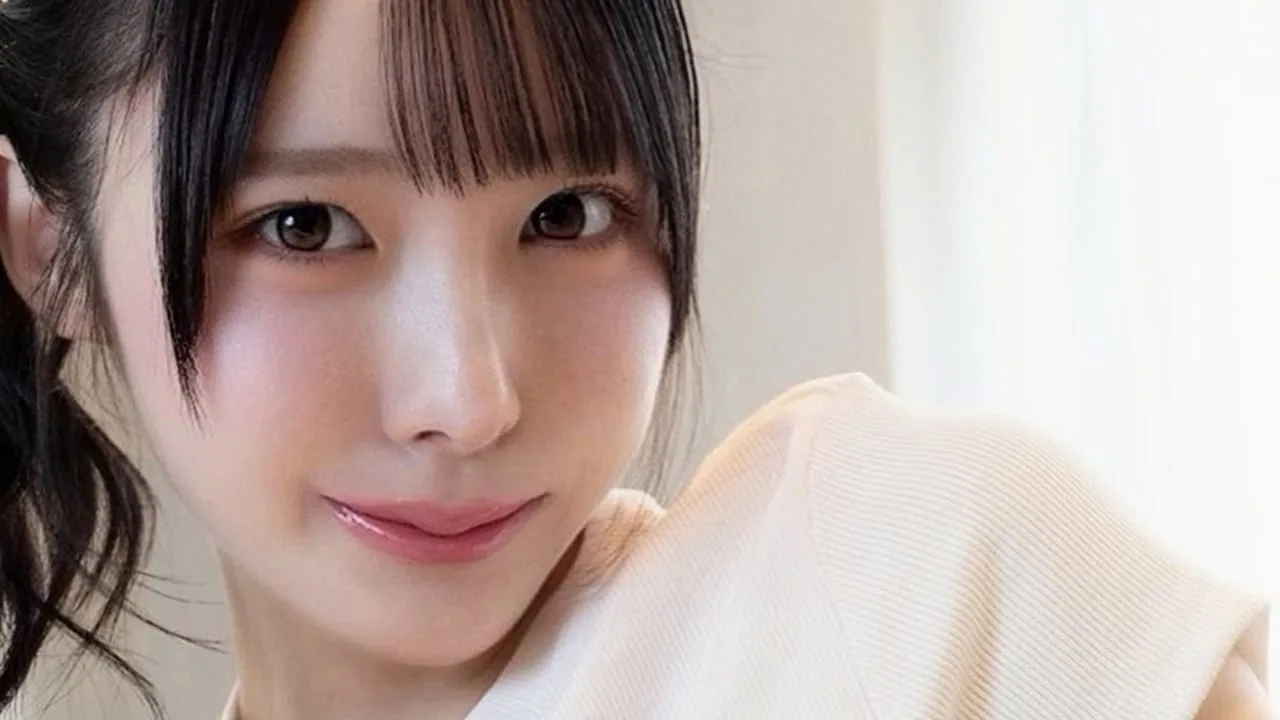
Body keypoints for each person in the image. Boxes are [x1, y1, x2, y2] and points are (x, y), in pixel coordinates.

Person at [0, 0, 1269, 718]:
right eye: (305, 228)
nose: (468, 399)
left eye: (566, 216)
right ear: (49, 248)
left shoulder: (914, 588)